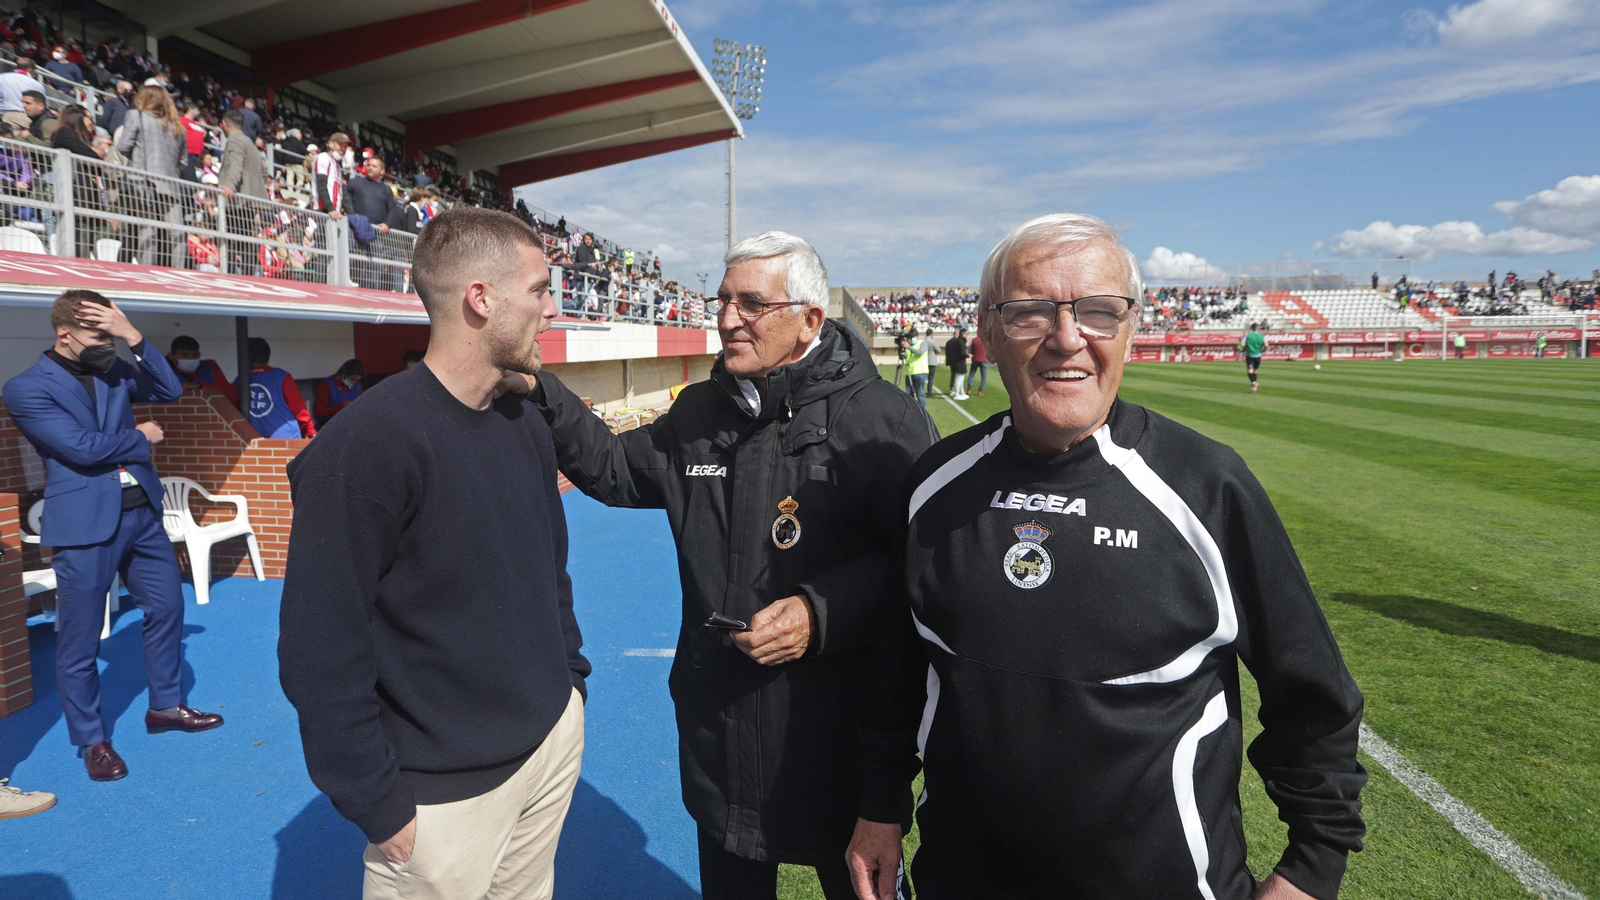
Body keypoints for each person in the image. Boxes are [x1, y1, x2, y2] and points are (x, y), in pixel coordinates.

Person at [847, 213, 1367, 900]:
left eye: (1098, 311)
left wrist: (1312, 865)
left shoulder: (1207, 487)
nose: (1068, 339)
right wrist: (879, 805)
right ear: (988, 333)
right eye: (1031, 312)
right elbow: (898, 668)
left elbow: (1313, 695)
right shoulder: (936, 485)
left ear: (1129, 329)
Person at [506, 231, 936, 900]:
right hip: (720, 732)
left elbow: (922, 569)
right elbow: (619, 469)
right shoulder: (701, 411)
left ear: (809, 320)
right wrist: (541, 389)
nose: (729, 317)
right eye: (724, 299)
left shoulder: (883, 423)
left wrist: (819, 613)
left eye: (752, 304)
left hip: (835, 746)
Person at [280, 207, 589, 900]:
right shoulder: (365, 449)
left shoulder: (524, 420)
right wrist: (376, 801)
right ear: (481, 299)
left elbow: (550, 574)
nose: (551, 306)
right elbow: (318, 646)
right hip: (439, 802)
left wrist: (570, 684)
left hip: (547, 746)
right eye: (539, 290)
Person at [3, 290, 225, 783]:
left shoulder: (113, 367)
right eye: (98, 335)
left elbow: (169, 391)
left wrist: (132, 335)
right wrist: (140, 437)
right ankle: (93, 741)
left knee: (168, 608)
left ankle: (165, 708)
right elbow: (79, 448)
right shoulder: (25, 388)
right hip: (84, 526)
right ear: (65, 334)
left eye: (111, 334)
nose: (108, 344)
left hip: (142, 514)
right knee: (80, 640)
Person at [115, 85, 188, 268]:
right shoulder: (176, 124)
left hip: (142, 181)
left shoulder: (136, 116)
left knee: (147, 229)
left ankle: (146, 272)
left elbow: (123, 146)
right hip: (171, 185)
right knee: (177, 233)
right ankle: (179, 273)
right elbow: (183, 161)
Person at [233, 337, 315, 439]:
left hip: (255, 442)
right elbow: (298, 407)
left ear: (246, 357)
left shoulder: (240, 380)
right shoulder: (281, 376)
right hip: (287, 438)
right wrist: (309, 429)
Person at [346, 155, 401, 291]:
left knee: (374, 266)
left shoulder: (386, 189)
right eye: (368, 165)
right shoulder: (355, 182)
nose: (370, 167)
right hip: (354, 229)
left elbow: (391, 209)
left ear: (382, 171)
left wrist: (387, 224)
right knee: (352, 261)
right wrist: (351, 212)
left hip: (376, 234)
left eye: (374, 166)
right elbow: (343, 194)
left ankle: (372, 291)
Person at [167, 335, 237, 402]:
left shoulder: (209, 367)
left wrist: (199, 385)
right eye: (184, 355)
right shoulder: (162, 370)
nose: (190, 359)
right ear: (172, 356)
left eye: (195, 355)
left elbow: (229, 396)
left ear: (199, 355)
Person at [313, 358, 363, 428]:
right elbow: (319, 412)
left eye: (356, 380)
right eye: (352, 379)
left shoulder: (357, 386)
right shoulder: (327, 385)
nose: (353, 383)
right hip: (331, 425)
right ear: (344, 373)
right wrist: (341, 407)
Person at [0, 58, 45, 133]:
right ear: (30, 69)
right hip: (26, 117)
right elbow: (42, 104)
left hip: (5, 114)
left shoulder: (2, 77)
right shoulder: (36, 84)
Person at [311, 132, 350, 217]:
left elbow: (343, 193)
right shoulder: (323, 157)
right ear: (330, 144)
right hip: (323, 210)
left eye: (345, 146)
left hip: (335, 213)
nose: (343, 148)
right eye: (340, 145)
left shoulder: (337, 166)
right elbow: (321, 184)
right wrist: (331, 209)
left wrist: (352, 214)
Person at [944, 325, 970, 400]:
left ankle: (961, 392)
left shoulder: (955, 341)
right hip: (958, 363)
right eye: (966, 334)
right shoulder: (959, 342)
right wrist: (968, 355)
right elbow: (962, 352)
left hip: (955, 362)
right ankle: (957, 393)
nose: (967, 336)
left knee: (960, 378)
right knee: (959, 378)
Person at [1240, 322, 1266, 393]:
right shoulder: (1262, 336)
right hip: (1258, 355)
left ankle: (1254, 383)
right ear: (1258, 329)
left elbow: (1242, 343)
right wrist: (1263, 350)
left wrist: (1244, 348)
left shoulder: (1248, 336)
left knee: (1250, 371)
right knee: (1255, 371)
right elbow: (1266, 345)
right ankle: (1254, 388)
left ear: (1252, 328)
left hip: (1250, 355)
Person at [965, 330, 989, 396]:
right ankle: (980, 390)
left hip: (975, 360)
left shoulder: (973, 340)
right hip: (983, 360)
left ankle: (969, 389)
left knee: (971, 375)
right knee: (983, 376)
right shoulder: (985, 341)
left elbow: (970, 349)